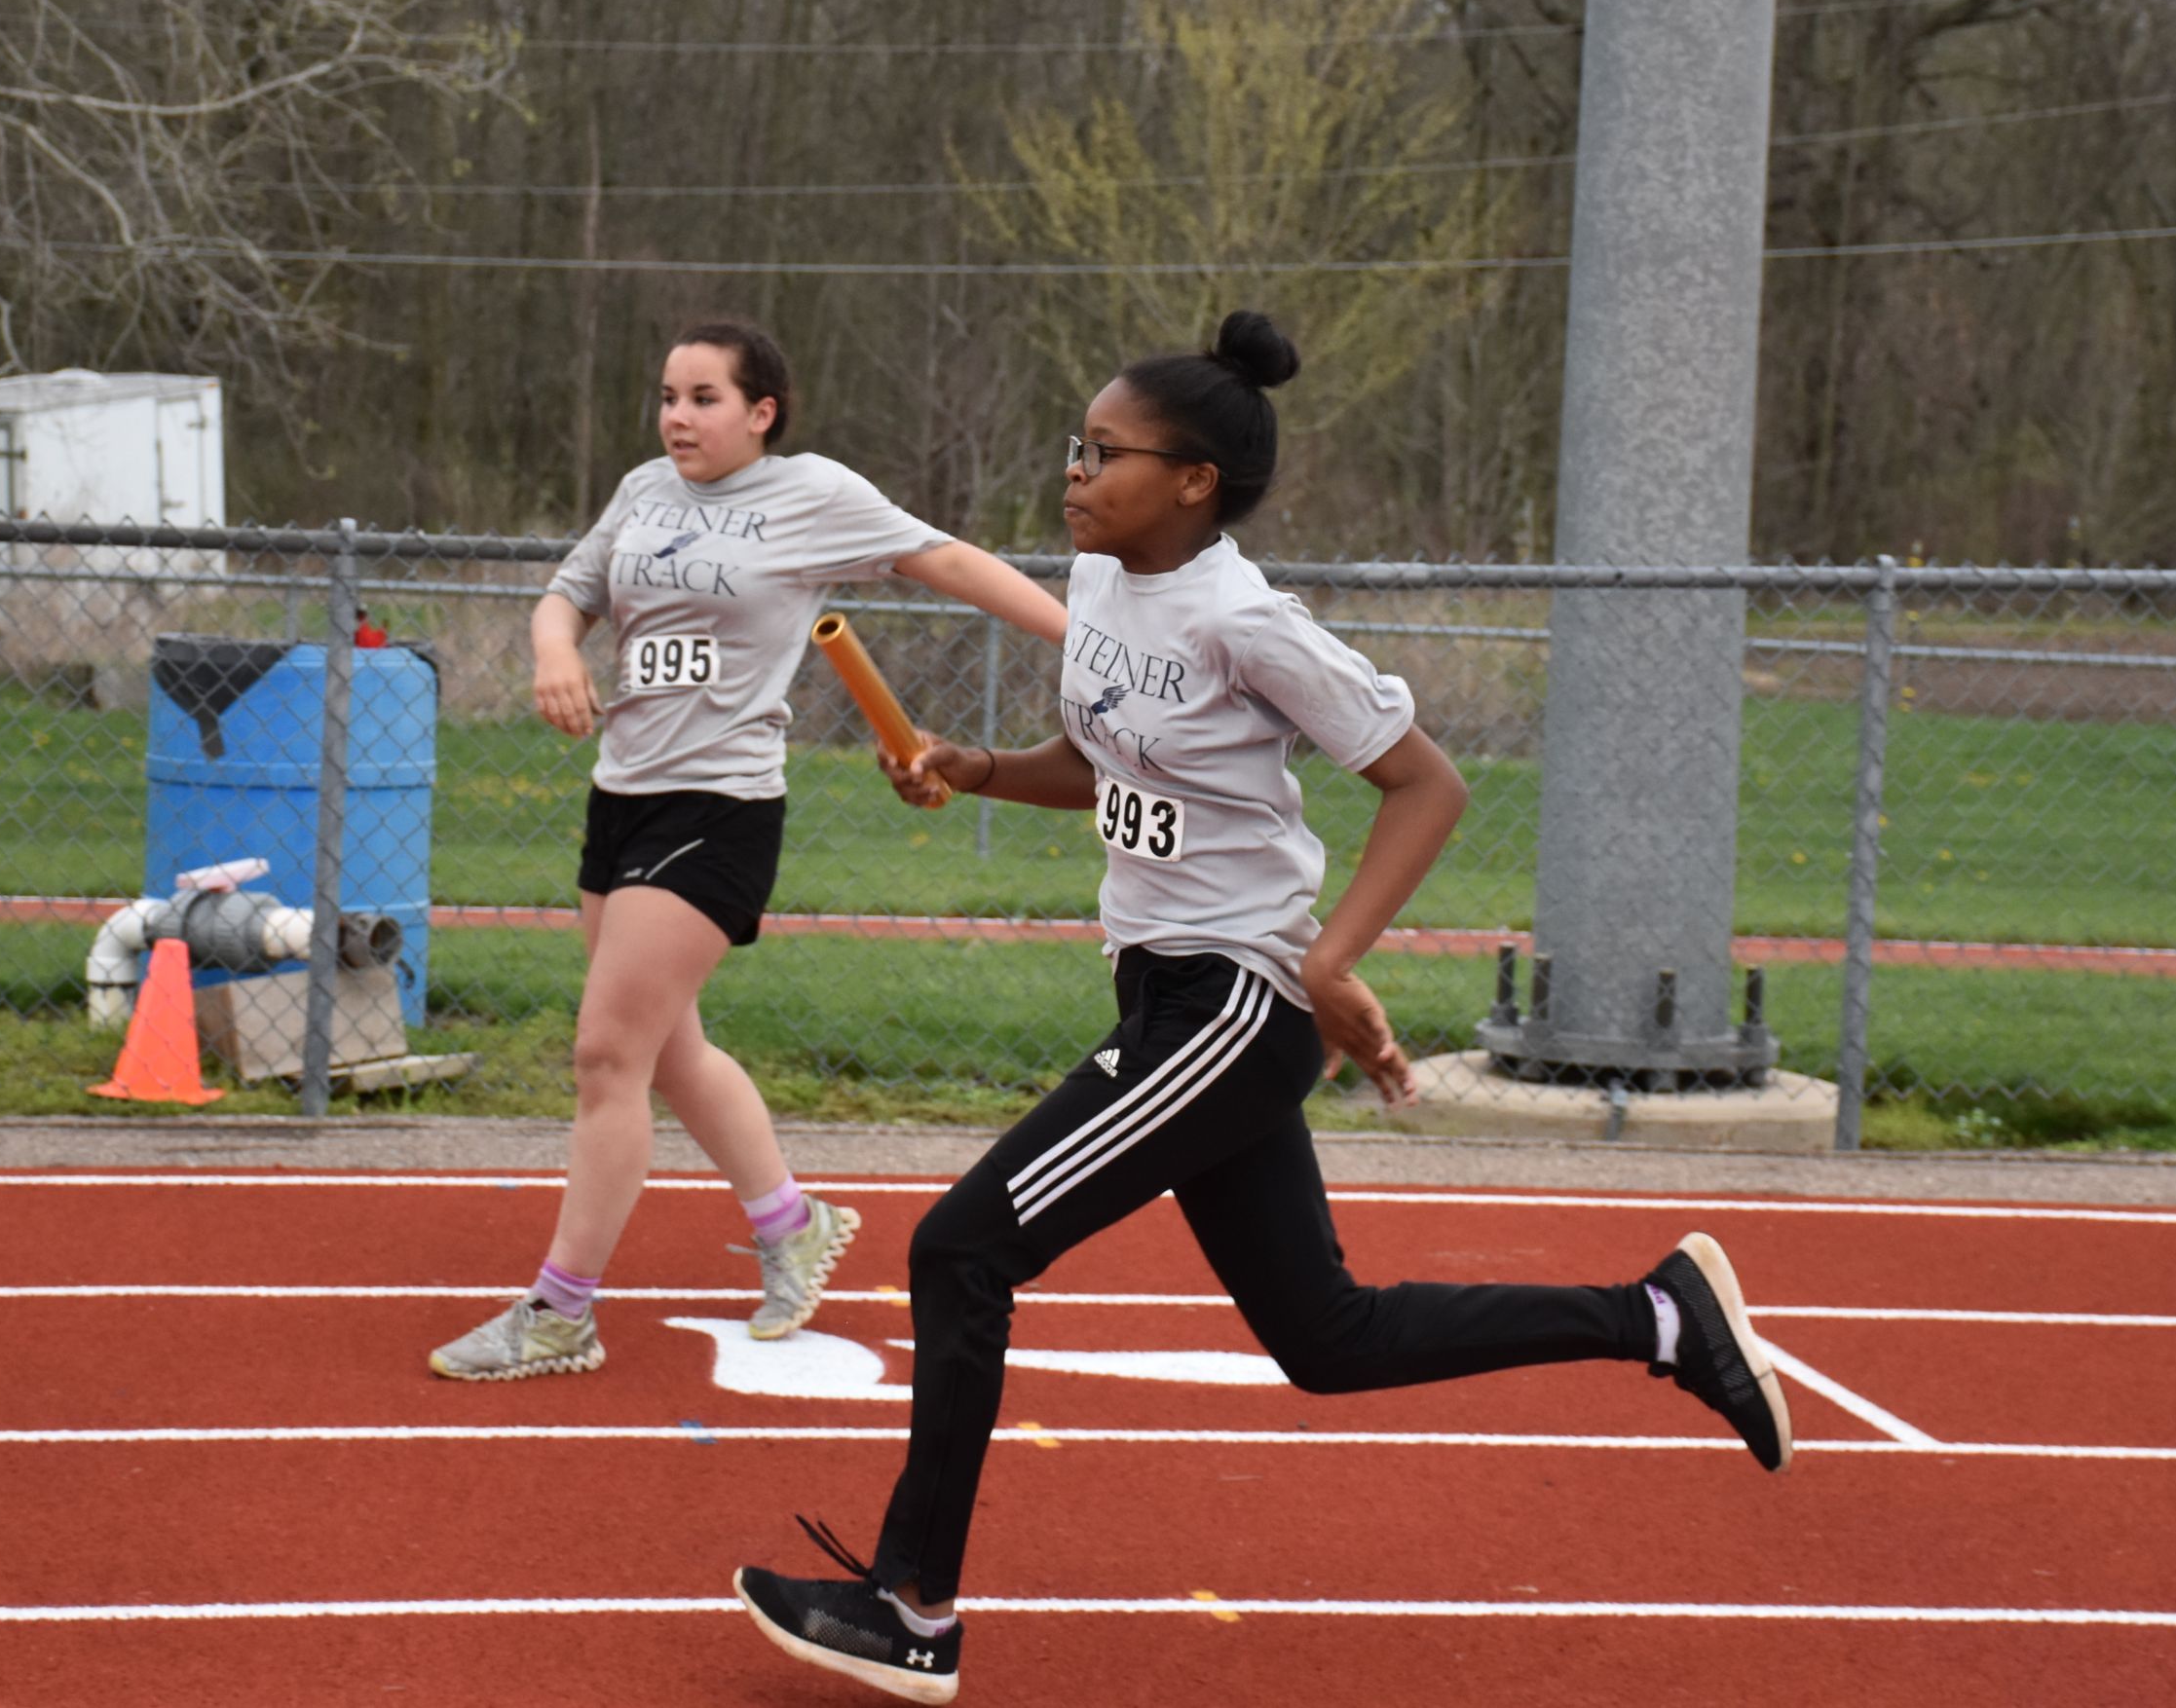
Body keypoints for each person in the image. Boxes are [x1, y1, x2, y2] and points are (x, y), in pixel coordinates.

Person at [732, 312, 1790, 1703]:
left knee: (959, 1250)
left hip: (1233, 1001)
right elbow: (1110, 763)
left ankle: (911, 1607)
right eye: (1077, 445)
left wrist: (1337, 959)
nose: (1076, 471)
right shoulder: (1102, 584)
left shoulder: (1249, 622)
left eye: (1107, 454)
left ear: (1194, 484)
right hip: (1167, 989)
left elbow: (1427, 784)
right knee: (1327, 1341)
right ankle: (1660, 1319)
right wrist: (978, 765)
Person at [429, 321, 1069, 1383]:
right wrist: (552, 650)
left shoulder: (810, 493)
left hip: (717, 805)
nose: (677, 416)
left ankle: (560, 1312)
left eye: (703, 397)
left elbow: (944, 558)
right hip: (622, 796)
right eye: (667, 395)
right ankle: (791, 1219)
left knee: (604, 1055)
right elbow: (568, 593)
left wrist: (1082, 632)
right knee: (667, 1050)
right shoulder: (643, 489)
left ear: (760, 411)